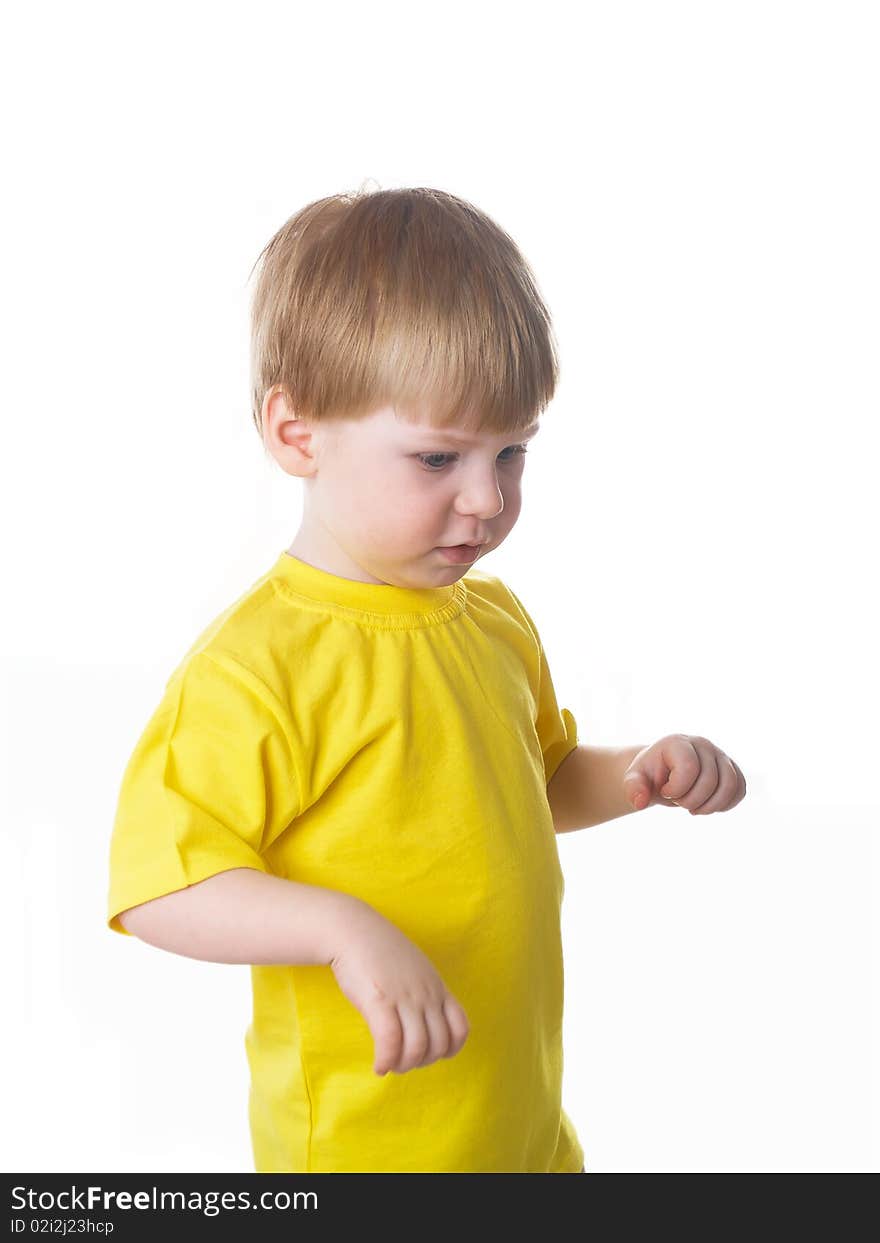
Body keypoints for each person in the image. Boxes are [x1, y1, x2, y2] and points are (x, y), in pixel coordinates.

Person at [106, 186, 746, 1174]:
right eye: (437, 457)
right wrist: (338, 925)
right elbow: (161, 887)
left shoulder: (490, 621)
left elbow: (532, 781)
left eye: (512, 452)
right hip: (372, 1151)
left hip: (520, 1127)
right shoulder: (257, 667)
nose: (487, 499)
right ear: (296, 433)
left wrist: (635, 772)